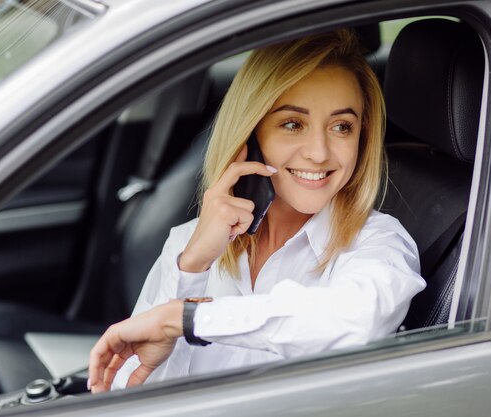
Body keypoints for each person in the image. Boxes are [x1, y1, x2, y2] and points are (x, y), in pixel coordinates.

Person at [88, 29, 426, 394]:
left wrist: (187, 319)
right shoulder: (190, 243)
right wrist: (193, 268)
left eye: (342, 127)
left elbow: (356, 321)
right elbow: (130, 390)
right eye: (293, 124)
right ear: (250, 135)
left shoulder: (379, 243)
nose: (319, 152)